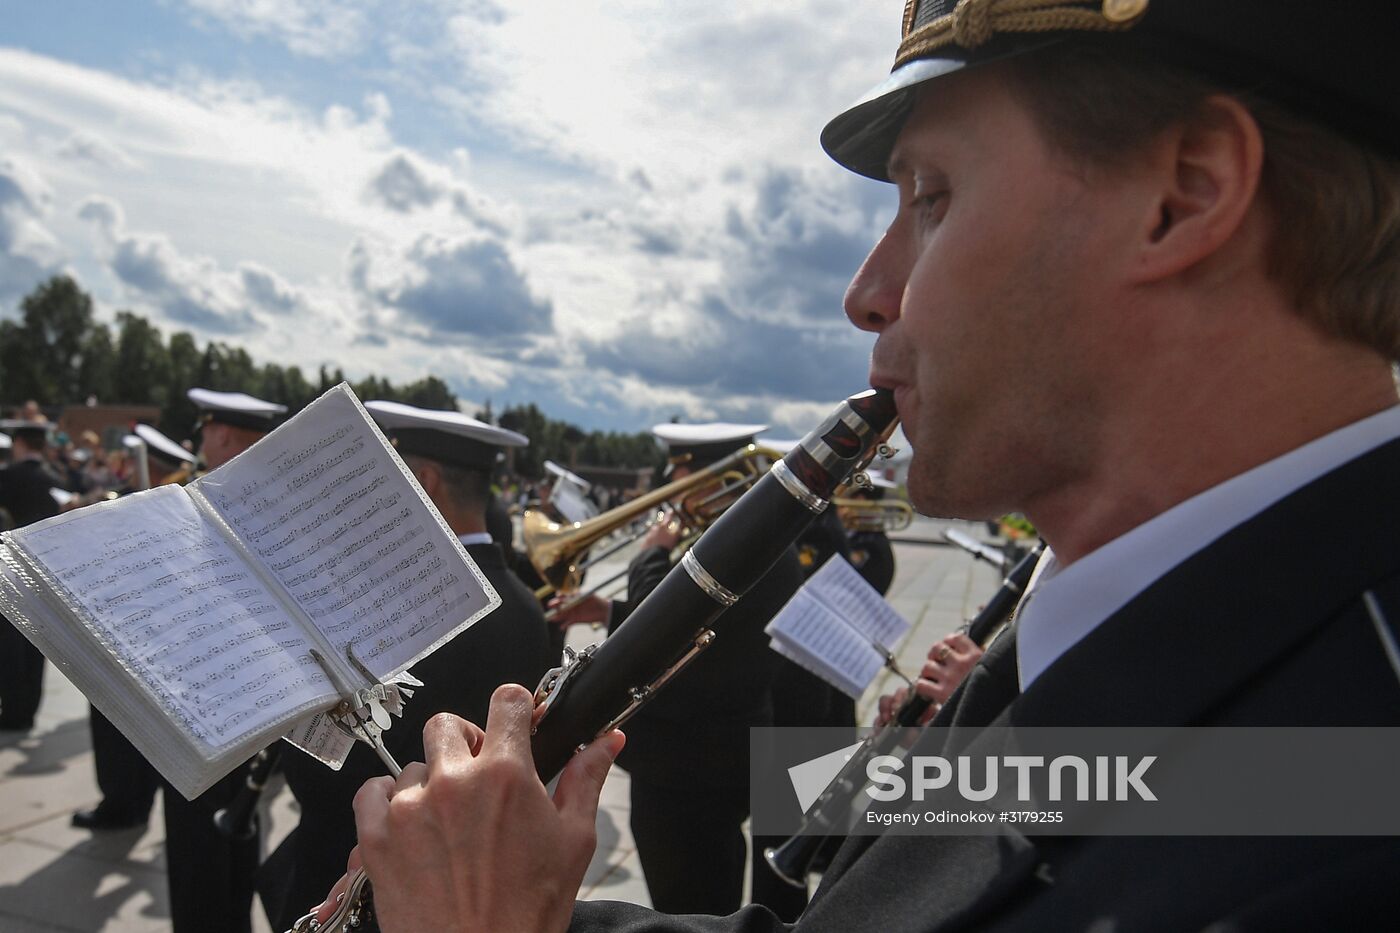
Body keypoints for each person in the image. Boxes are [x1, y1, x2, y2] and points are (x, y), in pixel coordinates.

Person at [316, 2, 1400, 930]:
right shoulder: (1120, 630)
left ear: (1184, 194)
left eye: (929, 195)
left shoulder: (1352, 799)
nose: (870, 292)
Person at [259, 400, 555, 930]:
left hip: (355, 879)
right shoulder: (528, 607)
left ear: (425, 479)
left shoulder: (391, 604)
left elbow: (322, 772)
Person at [552, 422, 804, 915]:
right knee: (708, 895)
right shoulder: (762, 536)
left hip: (685, 767)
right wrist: (606, 611)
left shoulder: (736, 542)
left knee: (690, 904)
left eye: (683, 472)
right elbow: (712, 635)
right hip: (718, 753)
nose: (674, 484)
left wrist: (650, 553)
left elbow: (664, 630)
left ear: (713, 478)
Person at [162, 388, 286, 933]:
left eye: (207, 429)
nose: (202, 439)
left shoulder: (204, 508)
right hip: (256, 703)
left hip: (197, 702)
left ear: (225, 436)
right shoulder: (274, 506)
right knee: (239, 826)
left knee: (197, 845)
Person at [72, 424, 198, 831]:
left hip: (131, 635)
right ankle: (131, 802)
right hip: (150, 636)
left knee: (117, 728)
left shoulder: (161, 504)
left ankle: (123, 804)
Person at [0, 420, 62, 731]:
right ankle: (29, 710)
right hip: (44, 572)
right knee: (37, 645)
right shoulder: (54, 478)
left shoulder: (8, 478)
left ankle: (13, 713)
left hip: (9, 570)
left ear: (20, 443)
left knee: (9, 644)